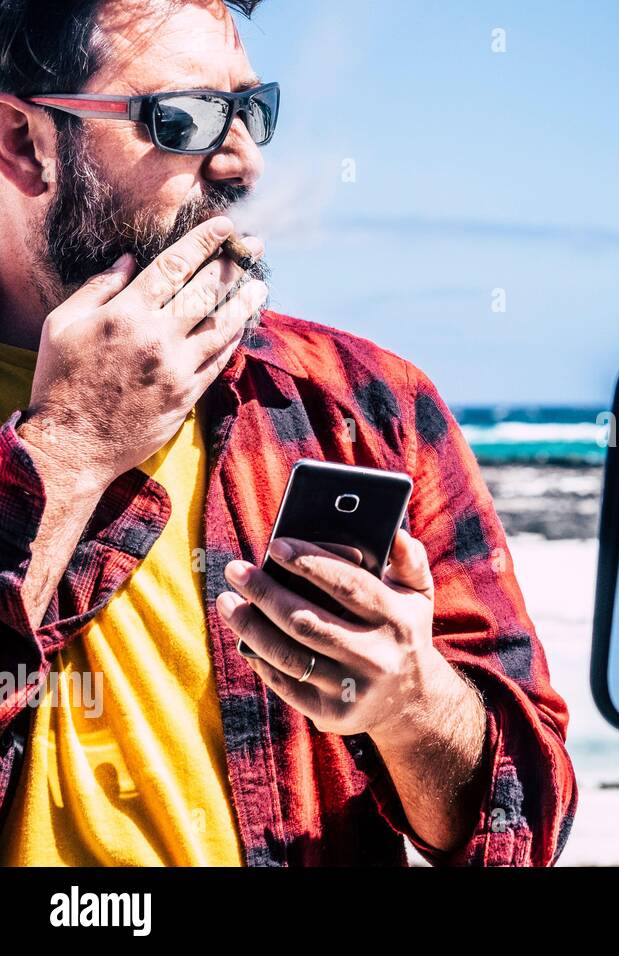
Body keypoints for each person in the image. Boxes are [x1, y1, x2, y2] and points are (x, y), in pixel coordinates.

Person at [0, 0, 575, 866]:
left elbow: (525, 821)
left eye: (250, 111)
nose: (244, 161)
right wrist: (73, 448)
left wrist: (410, 704)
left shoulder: (361, 403)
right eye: (183, 119)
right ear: (22, 142)